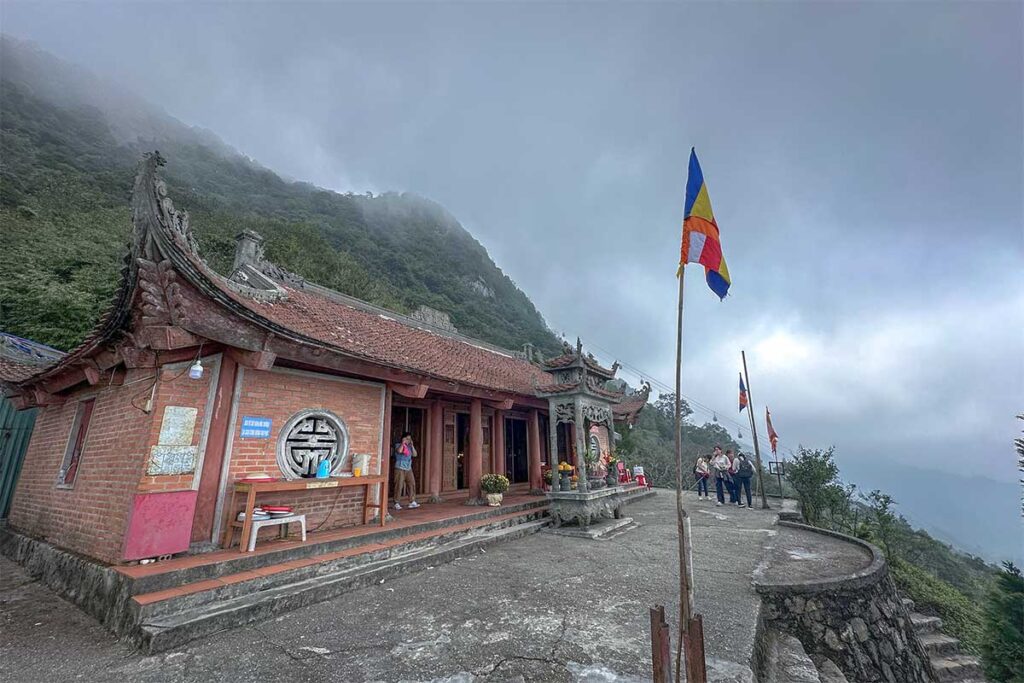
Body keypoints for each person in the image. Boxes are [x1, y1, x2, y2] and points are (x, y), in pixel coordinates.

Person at [393, 431, 419, 510]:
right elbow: (399, 451)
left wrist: (412, 446)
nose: (408, 440)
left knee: (411, 483)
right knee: (399, 485)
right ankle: (396, 503)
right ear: (403, 439)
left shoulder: (410, 447)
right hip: (400, 468)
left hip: (408, 468)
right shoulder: (398, 445)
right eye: (407, 439)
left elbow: (415, 454)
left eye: (409, 439)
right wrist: (402, 443)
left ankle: (412, 501)